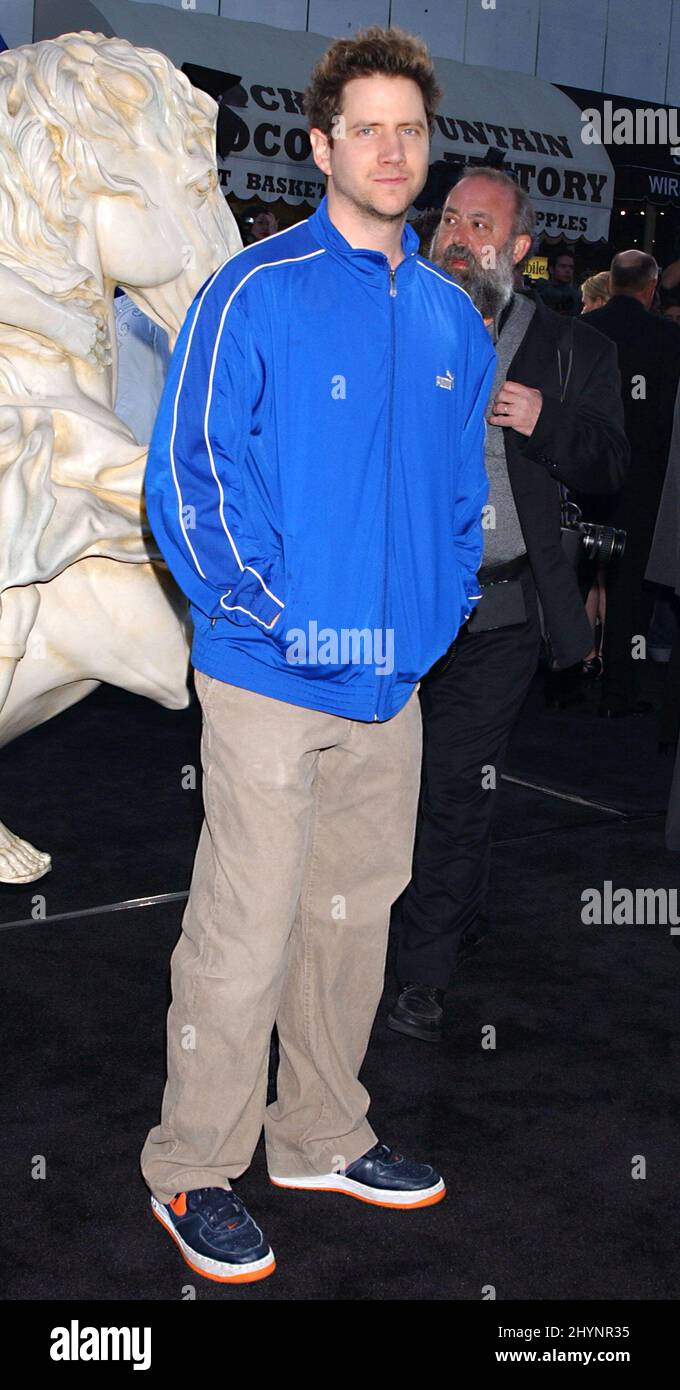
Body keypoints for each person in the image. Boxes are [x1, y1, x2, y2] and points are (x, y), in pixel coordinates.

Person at [140, 26, 496, 1283]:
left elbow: (463, 502)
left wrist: (433, 616)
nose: (390, 150)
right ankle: (192, 1166)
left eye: (410, 129)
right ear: (320, 147)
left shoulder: (454, 317)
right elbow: (188, 475)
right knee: (243, 932)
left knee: (350, 927)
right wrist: (267, 612)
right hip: (266, 675)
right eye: (367, 129)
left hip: (387, 686)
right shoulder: (254, 289)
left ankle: (317, 1135)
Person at [387, 167, 628, 1044]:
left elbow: (610, 468)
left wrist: (543, 419)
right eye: (448, 216)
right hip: (392, 606)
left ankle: (422, 975)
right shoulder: (397, 324)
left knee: (453, 787)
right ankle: (441, 919)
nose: (456, 234)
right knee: (380, 783)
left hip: (498, 614)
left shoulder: (574, 351)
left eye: (479, 223)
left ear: (520, 250)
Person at [587, 251, 680, 717]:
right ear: (650, 287)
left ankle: (565, 680)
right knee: (629, 588)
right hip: (645, 482)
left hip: (585, 476)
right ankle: (619, 689)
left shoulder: (585, 327)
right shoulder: (668, 337)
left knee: (578, 575)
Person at [534, 248, 581, 315]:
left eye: (571, 267)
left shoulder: (577, 297)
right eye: (563, 266)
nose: (568, 270)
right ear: (551, 269)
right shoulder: (540, 291)